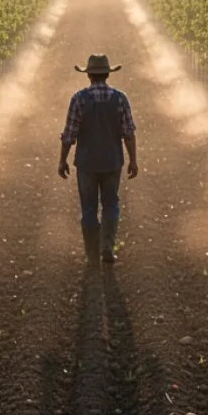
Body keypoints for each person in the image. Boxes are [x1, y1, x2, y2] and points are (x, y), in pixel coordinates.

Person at [58, 54, 138, 264]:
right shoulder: (120, 98)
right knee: (111, 204)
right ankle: (107, 249)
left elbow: (69, 135)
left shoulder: (78, 99)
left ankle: (92, 254)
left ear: (89, 76)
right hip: (112, 162)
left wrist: (62, 160)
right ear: (107, 74)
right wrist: (133, 160)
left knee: (89, 207)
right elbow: (128, 133)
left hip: (87, 164)